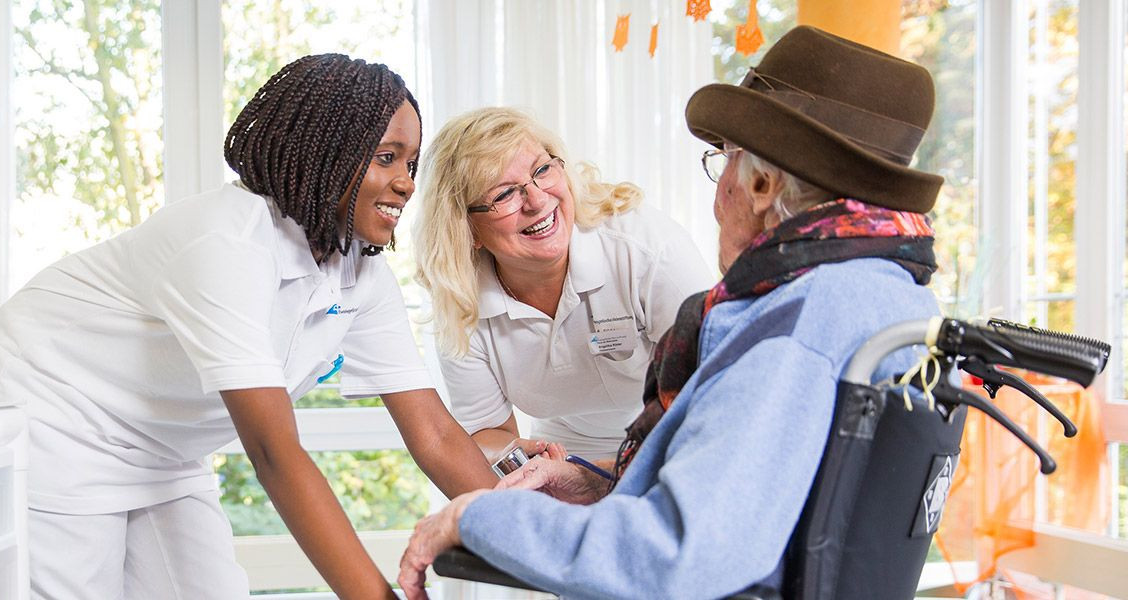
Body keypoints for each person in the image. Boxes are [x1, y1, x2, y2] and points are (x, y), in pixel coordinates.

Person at [398, 26, 944, 599]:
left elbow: (672, 557)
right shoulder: (887, 294)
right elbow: (743, 485)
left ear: (759, 184)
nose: (717, 192)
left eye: (722, 162)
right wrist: (595, 480)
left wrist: (472, 518)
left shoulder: (788, 334)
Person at [0, 54, 496, 600]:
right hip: (60, 409)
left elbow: (432, 433)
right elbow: (273, 452)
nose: (406, 184)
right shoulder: (228, 242)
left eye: (411, 164)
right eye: (387, 158)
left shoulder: (359, 273)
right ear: (324, 151)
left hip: (163, 445)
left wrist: (543, 548)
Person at [412, 107, 712, 464]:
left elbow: (713, 393)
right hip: (561, 455)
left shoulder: (644, 248)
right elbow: (486, 432)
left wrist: (613, 476)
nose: (538, 200)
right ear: (466, 228)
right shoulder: (461, 298)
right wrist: (524, 461)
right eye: (504, 194)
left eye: (542, 170)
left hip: (669, 446)